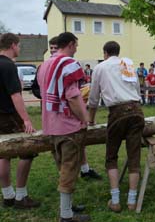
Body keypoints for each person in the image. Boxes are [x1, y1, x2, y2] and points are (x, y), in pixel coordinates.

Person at [37, 32, 90, 221]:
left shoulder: (44, 65)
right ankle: (66, 215)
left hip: (51, 124)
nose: (76, 49)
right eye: (76, 45)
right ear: (69, 44)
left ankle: (67, 206)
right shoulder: (68, 64)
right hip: (68, 125)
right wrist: (85, 118)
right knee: (69, 169)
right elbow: (73, 96)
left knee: (63, 167)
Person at [88, 41, 145, 212]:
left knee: (111, 156)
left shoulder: (100, 68)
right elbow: (136, 89)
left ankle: (115, 200)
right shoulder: (127, 64)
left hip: (117, 112)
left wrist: (91, 120)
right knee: (134, 156)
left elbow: (93, 98)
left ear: (105, 52)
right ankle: (132, 201)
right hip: (136, 110)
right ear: (118, 52)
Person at [0, 33, 40, 209]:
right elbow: (16, 95)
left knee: (3, 154)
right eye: (19, 45)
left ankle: (8, 195)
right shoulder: (8, 66)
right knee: (27, 151)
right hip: (9, 115)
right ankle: (21, 197)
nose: (20, 48)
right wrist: (26, 120)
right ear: (13, 45)